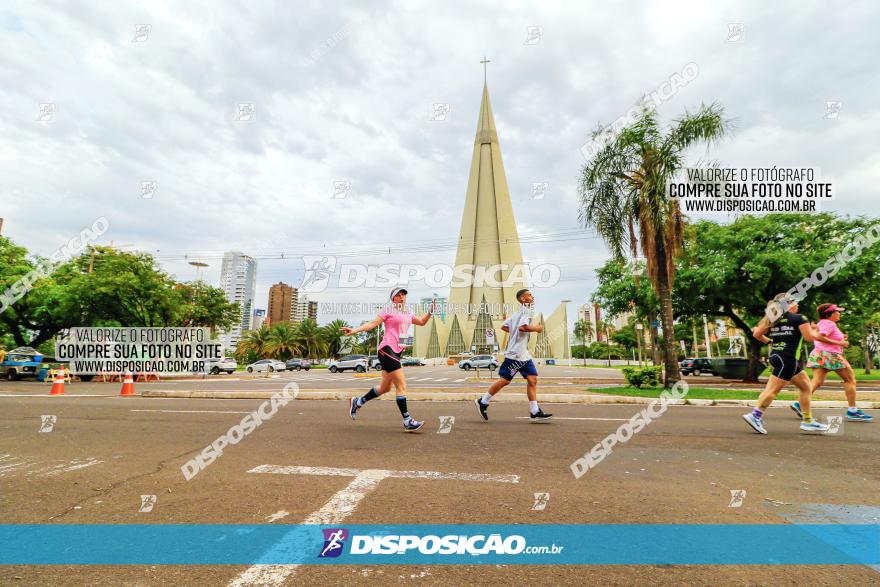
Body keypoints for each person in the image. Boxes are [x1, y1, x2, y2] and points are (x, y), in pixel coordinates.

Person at [343, 288, 433, 432]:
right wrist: (354, 330)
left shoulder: (408, 313)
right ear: (393, 299)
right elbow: (372, 324)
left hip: (397, 352)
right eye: (398, 295)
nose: (402, 296)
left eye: (403, 294)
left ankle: (358, 401)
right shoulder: (388, 310)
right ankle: (407, 420)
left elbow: (422, 322)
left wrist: (430, 313)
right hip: (387, 349)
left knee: (385, 388)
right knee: (401, 385)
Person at [742, 293, 829, 434]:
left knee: (806, 387)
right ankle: (755, 415)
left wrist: (770, 342)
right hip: (787, 359)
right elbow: (808, 338)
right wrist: (815, 331)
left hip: (778, 356)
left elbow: (756, 334)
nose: (798, 305)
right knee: (772, 390)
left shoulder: (773, 319)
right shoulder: (800, 318)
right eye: (796, 302)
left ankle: (808, 421)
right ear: (789, 304)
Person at [474, 288, 553, 422]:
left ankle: (534, 412)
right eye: (529, 295)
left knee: (532, 379)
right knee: (505, 380)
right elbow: (523, 327)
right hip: (515, 354)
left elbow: (504, 327)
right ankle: (483, 401)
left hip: (524, 355)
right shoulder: (527, 311)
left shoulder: (516, 314)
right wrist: (537, 329)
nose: (532, 297)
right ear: (523, 299)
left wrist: (515, 333)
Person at [790, 304, 873, 422]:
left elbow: (820, 335)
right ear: (830, 314)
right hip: (831, 355)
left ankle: (800, 404)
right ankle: (852, 410)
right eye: (837, 312)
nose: (839, 314)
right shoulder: (829, 323)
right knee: (850, 380)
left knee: (817, 381)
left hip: (819, 354)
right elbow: (818, 337)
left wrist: (840, 337)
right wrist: (840, 343)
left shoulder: (822, 323)